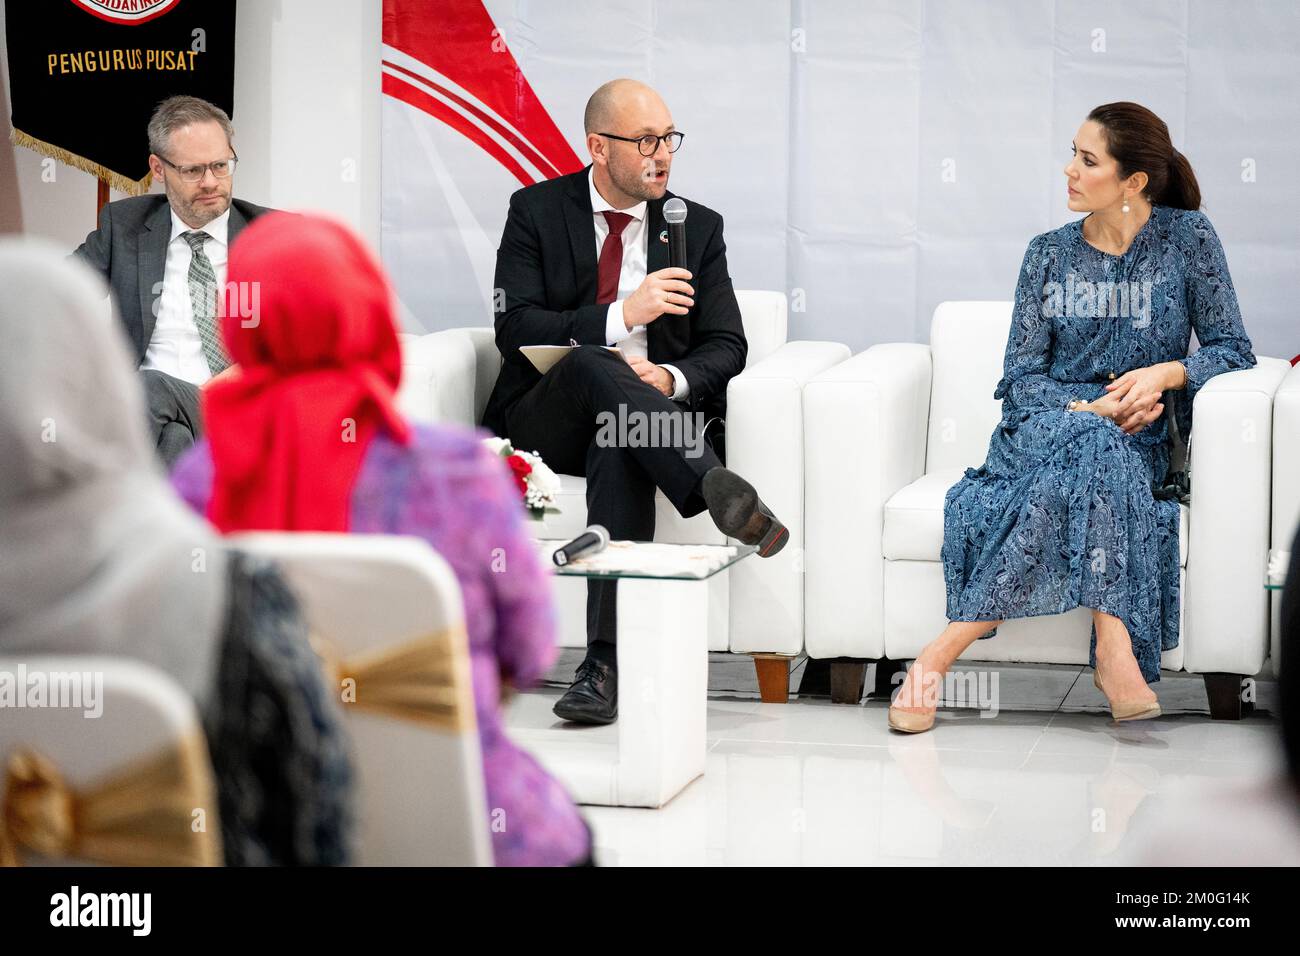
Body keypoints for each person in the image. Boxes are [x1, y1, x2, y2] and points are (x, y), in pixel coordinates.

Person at [170, 212, 594, 867]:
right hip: (474, 826)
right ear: (367, 312)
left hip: (262, 832)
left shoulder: (198, 486)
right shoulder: (458, 472)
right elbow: (534, 650)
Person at [889, 102, 1256, 734]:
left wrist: (1166, 375)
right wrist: (1090, 408)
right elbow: (1021, 382)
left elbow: (1232, 348)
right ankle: (1116, 651)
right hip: (1043, 430)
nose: (1069, 171)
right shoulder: (1047, 256)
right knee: (1094, 437)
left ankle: (937, 657)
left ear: (1133, 181)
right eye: (1074, 155)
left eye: (1088, 161)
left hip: (1139, 439)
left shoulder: (1189, 239)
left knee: (1102, 450)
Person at [0, 240, 352, 865]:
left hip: (201, 412)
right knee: (158, 392)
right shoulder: (228, 595)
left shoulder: (205, 485)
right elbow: (312, 830)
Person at [483, 78, 788, 726]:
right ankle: (710, 483)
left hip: (638, 422)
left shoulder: (696, 228)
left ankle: (602, 669)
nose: (663, 155)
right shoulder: (535, 211)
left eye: (669, 139)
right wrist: (624, 313)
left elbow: (727, 343)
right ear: (598, 146)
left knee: (620, 431)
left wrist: (671, 379)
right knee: (598, 360)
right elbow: (516, 329)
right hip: (546, 414)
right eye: (646, 140)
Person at [73, 94, 272, 467]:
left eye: (221, 165)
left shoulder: (271, 233)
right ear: (158, 168)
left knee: (148, 388)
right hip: (156, 416)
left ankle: (89, 505)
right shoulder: (125, 226)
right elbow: (61, 294)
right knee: (173, 435)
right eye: (193, 170)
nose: (211, 182)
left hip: (240, 409)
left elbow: (315, 332)